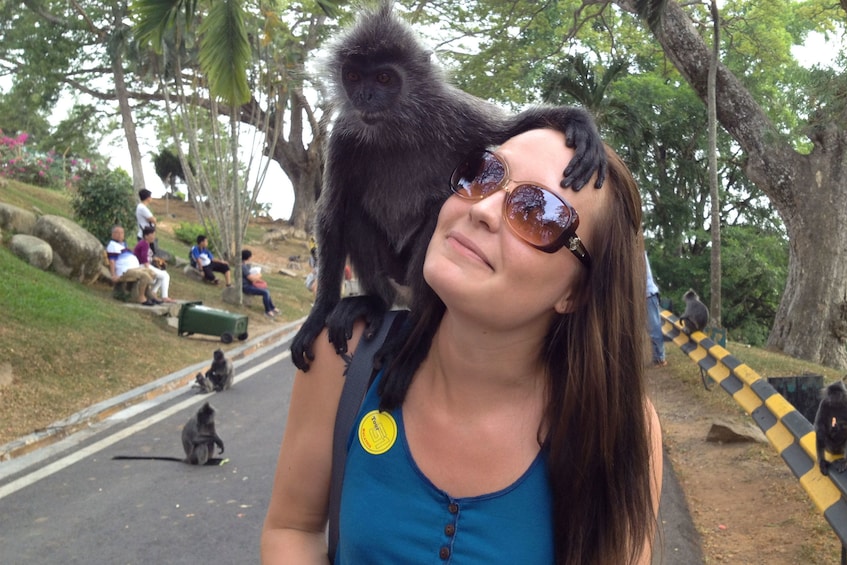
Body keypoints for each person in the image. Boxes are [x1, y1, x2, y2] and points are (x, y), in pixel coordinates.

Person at [261, 129, 662, 564]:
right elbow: (292, 528)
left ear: (576, 293)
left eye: (538, 214)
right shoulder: (345, 355)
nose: (484, 209)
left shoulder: (619, 426)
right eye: (484, 173)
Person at [105, 225, 160, 307]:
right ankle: (141, 297)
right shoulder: (112, 245)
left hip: (135, 268)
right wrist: (113, 275)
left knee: (152, 273)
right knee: (144, 276)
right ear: (112, 234)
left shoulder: (123, 244)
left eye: (122, 233)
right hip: (126, 271)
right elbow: (112, 261)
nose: (120, 235)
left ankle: (148, 294)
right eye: (117, 233)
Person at [134, 225, 175, 303]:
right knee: (165, 275)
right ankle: (164, 297)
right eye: (152, 235)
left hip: (144, 265)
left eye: (154, 235)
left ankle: (153, 292)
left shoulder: (145, 243)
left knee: (163, 275)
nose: (153, 237)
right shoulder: (145, 244)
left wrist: (155, 261)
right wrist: (149, 270)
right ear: (146, 236)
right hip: (142, 266)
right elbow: (143, 258)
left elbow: (147, 256)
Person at [241, 249, 280, 317]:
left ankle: (272, 307)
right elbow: (252, 279)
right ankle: (267, 311)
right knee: (265, 292)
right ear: (248, 257)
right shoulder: (243, 267)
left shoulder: (245, 265)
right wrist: (259, 275)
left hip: (249, 284)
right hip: (245, 287)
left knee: (266, 290)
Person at [644, 252, 667, 367]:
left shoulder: (638, 253)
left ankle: (660, 358)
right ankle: (655, 356)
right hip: (642, 296)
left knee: (654, 328)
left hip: (648, 295)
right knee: (649, 329)